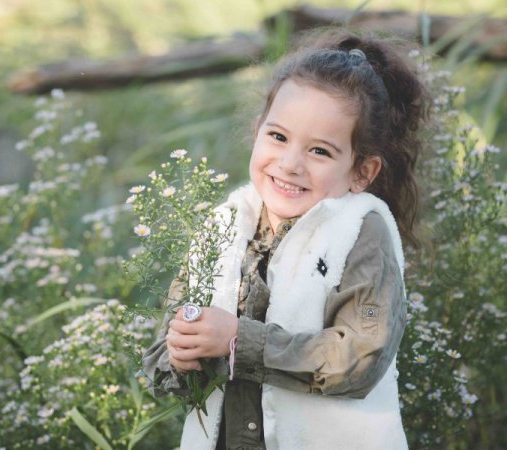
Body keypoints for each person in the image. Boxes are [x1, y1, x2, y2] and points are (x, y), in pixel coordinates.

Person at [142, 29, 429, 450]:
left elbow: (360, 358)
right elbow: (165, 352)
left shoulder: (360, 231)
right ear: (258, 130)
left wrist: (240, 340)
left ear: (361, 172)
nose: (290, 164)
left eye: (320, 152)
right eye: (278, 137)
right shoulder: (224, 225)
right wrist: (182, 356)